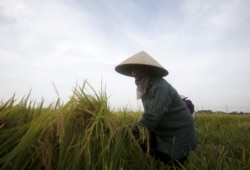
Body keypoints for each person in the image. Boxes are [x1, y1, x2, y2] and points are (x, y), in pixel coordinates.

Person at [115, 51, 197, 167]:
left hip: (178, 132)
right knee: (148, 143)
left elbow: (152, 117)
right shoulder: (144, 86)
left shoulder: (159, 86)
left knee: (175, 162)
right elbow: (150, 112)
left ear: (146, 69)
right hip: (163, 129)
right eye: (131, 68)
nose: (133, 72)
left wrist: (126, 131)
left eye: (136, 68)